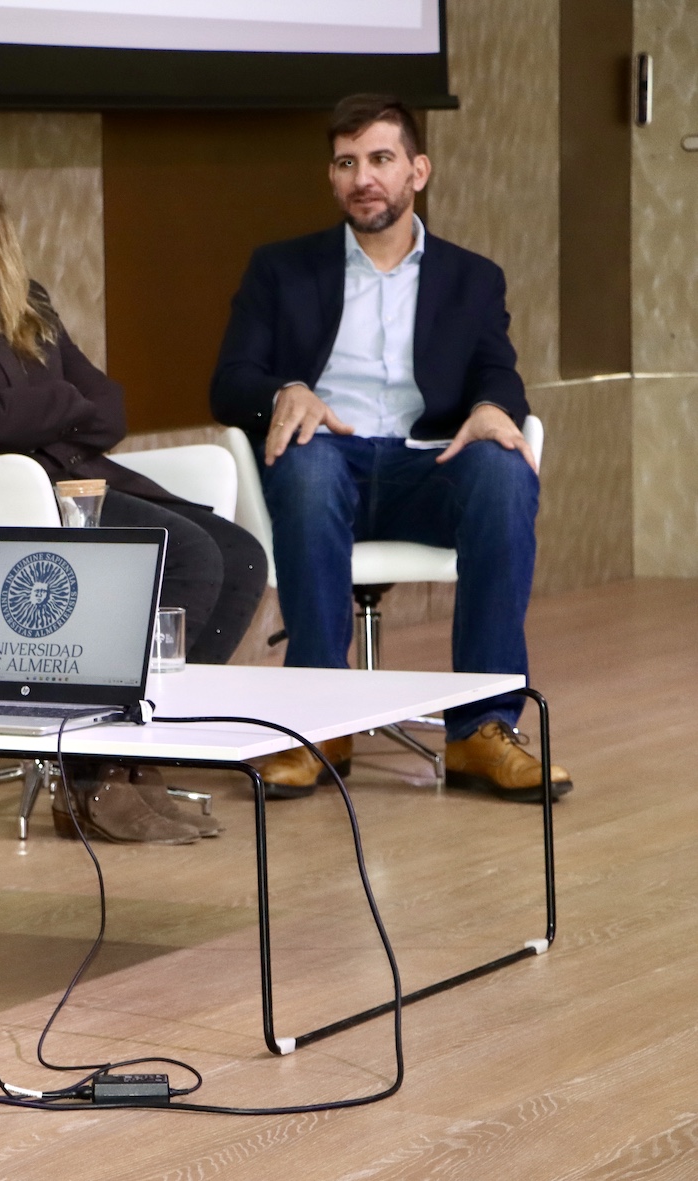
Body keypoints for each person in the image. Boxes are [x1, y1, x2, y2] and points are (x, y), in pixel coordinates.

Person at [0, 136, 266, 845]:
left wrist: (28, 400)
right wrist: (51, 398)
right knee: (191, 556)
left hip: (58, 485)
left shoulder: (22, 301)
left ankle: (139, 758)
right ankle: (91, 775)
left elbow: (110, 408)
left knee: (240, 555)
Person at [211, 93, 570, 803]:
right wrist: (286, 390)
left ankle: (482, 728)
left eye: (380, 159)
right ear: (332, 177)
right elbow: (230, 382)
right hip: (326, 466)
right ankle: (318, 722)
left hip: (425, 468)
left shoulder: (472, 277)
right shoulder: (282, 269)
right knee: (307, 458)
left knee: (502, 471)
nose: (362, 177)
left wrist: (497, 409)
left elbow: (497, 370)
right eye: (347, 163)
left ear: (418, 171)